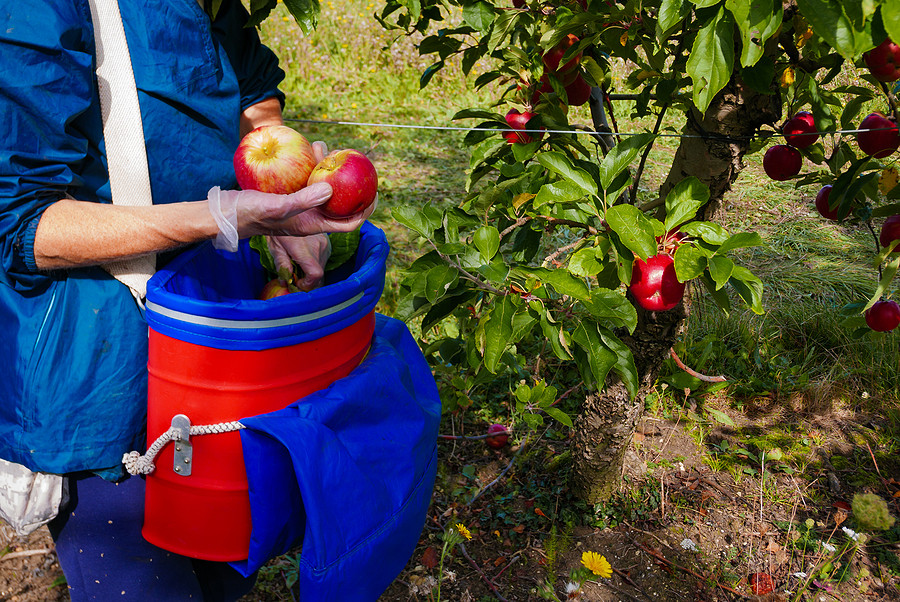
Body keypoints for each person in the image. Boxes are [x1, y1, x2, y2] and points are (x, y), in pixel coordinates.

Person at [0, 0, 373, 599]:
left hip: (218, 341)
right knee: (138, 577)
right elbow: (24, 225)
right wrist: (216, 216)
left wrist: (276, 192)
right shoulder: (40, 12)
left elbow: (255, 93)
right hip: (102, 359)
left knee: (227, 564)